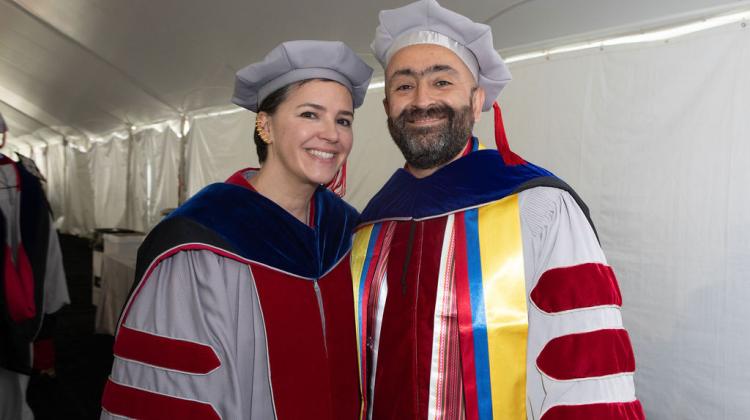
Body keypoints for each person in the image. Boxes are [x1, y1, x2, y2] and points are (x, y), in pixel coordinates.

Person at [351, 1, 645, 419]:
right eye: (404, 86)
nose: (421, 100)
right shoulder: (371, 225)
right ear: (387, 110)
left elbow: (587, 370)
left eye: (441, 81)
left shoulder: (539, 205)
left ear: (476, 100)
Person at [100, 40, 373, 419]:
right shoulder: (200, 244)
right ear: (265, 125)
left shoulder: (346, 232)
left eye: (343, 120)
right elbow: (171, 396)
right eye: (310, 114)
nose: (331, 133)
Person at [1, 111, 70, 420]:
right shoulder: (24, 178)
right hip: (21, 302)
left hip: (17, 297)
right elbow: (48, 249)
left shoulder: (24, 178)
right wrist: (50, 302)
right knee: (13, 388)